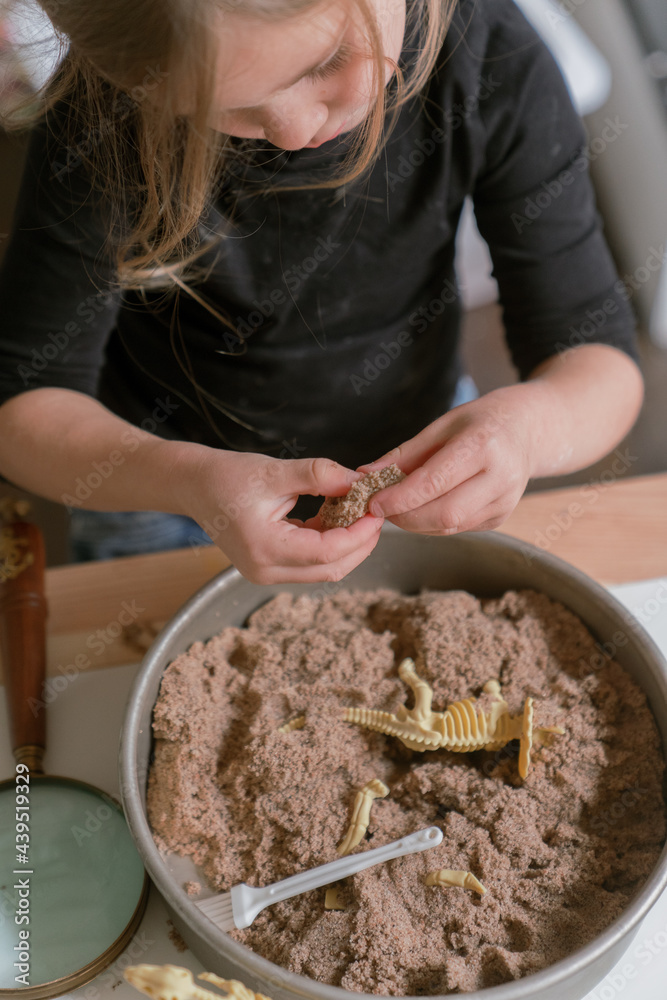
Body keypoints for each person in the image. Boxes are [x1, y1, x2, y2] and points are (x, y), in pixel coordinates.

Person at [0, 0, 644, 581]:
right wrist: (189, 480)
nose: (294, 127)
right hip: (159, 486)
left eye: (328, 61)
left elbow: (599, 364)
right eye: (221, 106)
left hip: (419, 450)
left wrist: (526, 431)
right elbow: (22, 407)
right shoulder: (99, 118)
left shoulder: (491, 57)